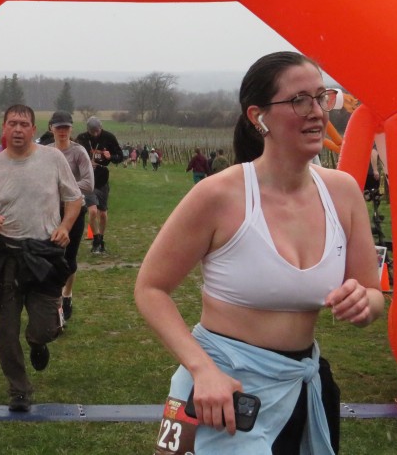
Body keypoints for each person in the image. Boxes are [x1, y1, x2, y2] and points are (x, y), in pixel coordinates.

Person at [134, 52, 383, 453]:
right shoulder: (219, 195)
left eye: (322, 97)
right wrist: (202, 370)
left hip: (304, 386)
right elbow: (150, 288)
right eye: (299, 100)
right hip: (220, 392)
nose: (317, 112)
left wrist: (363, 303)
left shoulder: (343, 193)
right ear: (258, 116)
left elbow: (372, 294)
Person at [0, 105, 83, 413]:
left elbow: (75, 199)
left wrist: (65, 227)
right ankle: (19, 389)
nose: (18, 129)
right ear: (4, 128)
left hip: (44, 254)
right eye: (12, 123)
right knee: (5, 331)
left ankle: (37, 341)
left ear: (33, 129)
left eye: (23, 124)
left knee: (47, 327)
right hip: (6, 256)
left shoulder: (53, 159)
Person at [43, 111, 94, 325]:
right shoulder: (45, 152)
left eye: (66, 127)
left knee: (69, 258)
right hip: (51, 211)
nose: (62, 131)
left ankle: (67, 295)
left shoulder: (78, 152)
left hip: (74, 210)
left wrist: (62, 188)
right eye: (58, 127)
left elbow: (89, 184)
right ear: (51, 128)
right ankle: (52, 299)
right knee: (49, 255)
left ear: (71, 129)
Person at [76, 116, 123, 255]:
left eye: (97, 131)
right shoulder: (82, 139)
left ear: (101, 128)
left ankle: (101, 239)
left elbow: (120, 156)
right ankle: (95, 240)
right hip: (87, 181)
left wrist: (110, 157)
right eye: (92, 132)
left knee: (102, 214)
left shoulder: (109, 137)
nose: (95, 134)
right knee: (92, 211)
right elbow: (75, 158)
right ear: (88, 130)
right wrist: (85, 163)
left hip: (102, 180)